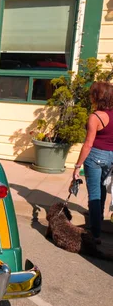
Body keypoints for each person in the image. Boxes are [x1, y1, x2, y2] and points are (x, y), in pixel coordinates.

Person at [73, 82, 113, 244]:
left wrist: (76, 167)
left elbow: (88, 144)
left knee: (94, 194)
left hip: (95, 156)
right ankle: (99, 220)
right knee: (102, 189)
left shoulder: (95, 117)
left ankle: (95, 234)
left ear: (97, 97)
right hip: (110, 157)